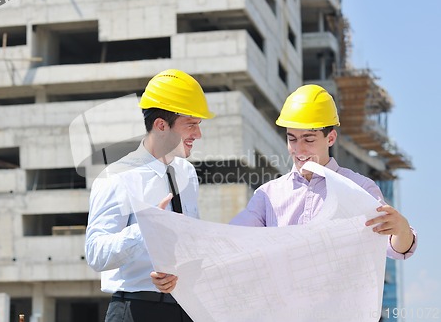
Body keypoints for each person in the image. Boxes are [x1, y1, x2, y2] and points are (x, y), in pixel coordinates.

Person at [85, 69, 215, 322]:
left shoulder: (186, 173)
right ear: (161, 125)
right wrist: (145, 228)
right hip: (136, 310)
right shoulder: (117, 176)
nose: (198, 134)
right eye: (191, 124)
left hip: (185, 307)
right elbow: (96, 253)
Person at [229, 84, 417, 259]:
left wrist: (401, 230)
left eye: (308, 140)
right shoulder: (268, 195)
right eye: (292, 139)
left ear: (331, 138)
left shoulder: (359, 188)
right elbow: (232, 239)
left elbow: (394, 248)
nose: (299, 149)